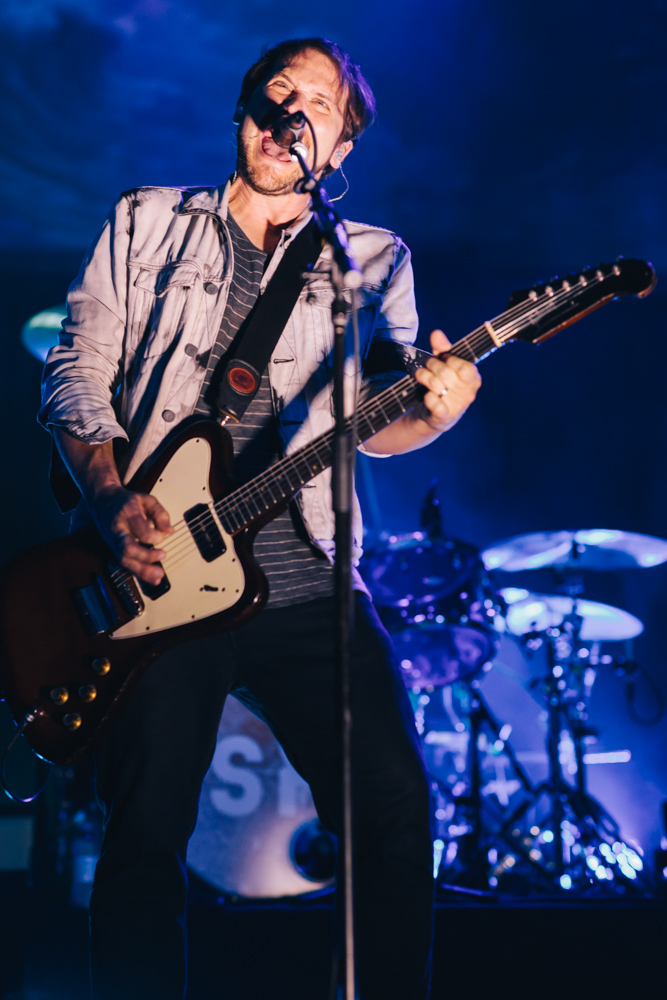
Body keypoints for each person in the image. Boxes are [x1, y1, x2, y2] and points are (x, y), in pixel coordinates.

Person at [39, 37, 481, 1000]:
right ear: (243, 111)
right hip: (162, 580)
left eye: (316, 100)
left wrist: (434, 410)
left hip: (310, 582)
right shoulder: (147, 222)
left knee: (395, 814)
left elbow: (382, 427)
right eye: (275, 90)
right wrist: (109, 495)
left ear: (341, 147)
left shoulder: (372, 260)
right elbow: (75, 368)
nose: (290, 106)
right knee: (145, 834)